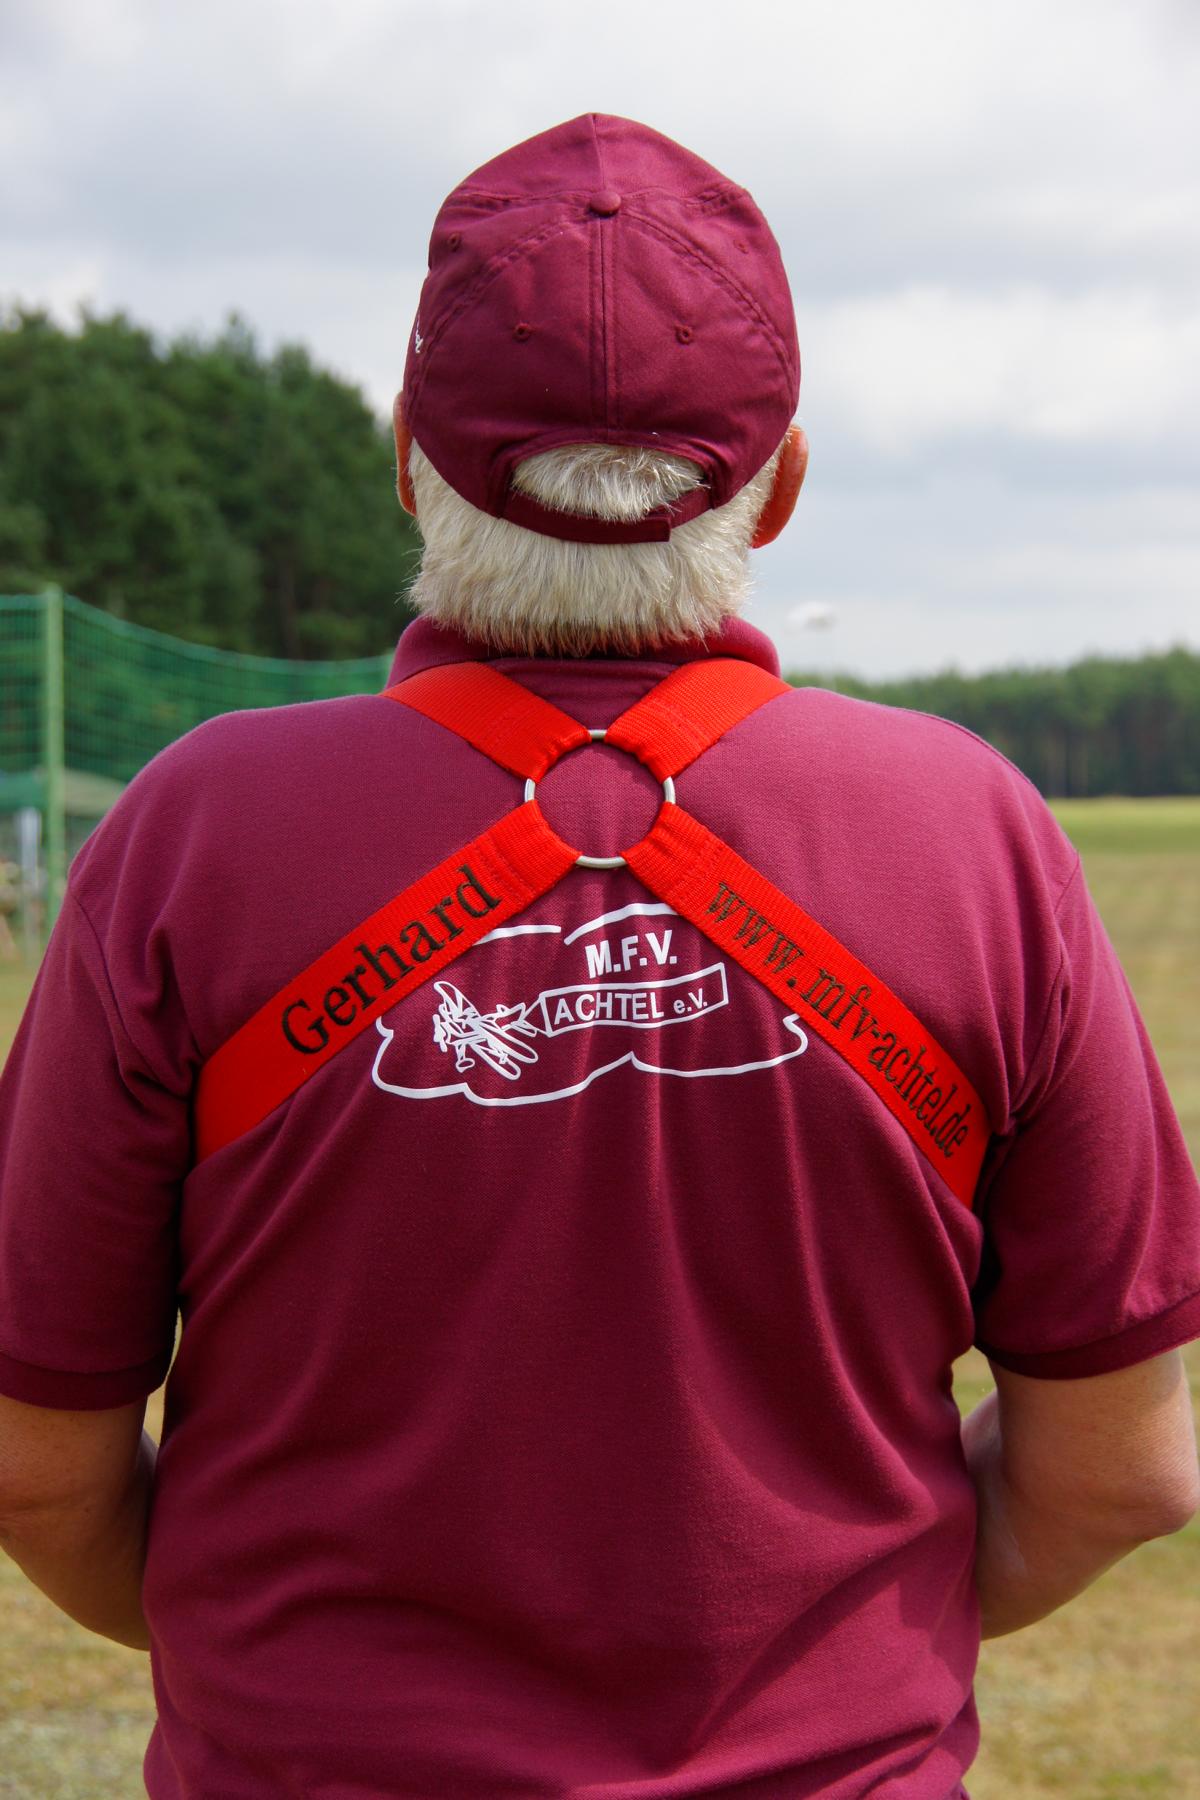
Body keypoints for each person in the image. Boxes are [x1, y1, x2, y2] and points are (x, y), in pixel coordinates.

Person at [0, 112, 1198, 1800]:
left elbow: (37, 1460)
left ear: (406, 457)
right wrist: (846, 1662)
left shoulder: (194, 834)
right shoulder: (974, 835)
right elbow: (1123, 1469)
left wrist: (284, 1664)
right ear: (783, 485)